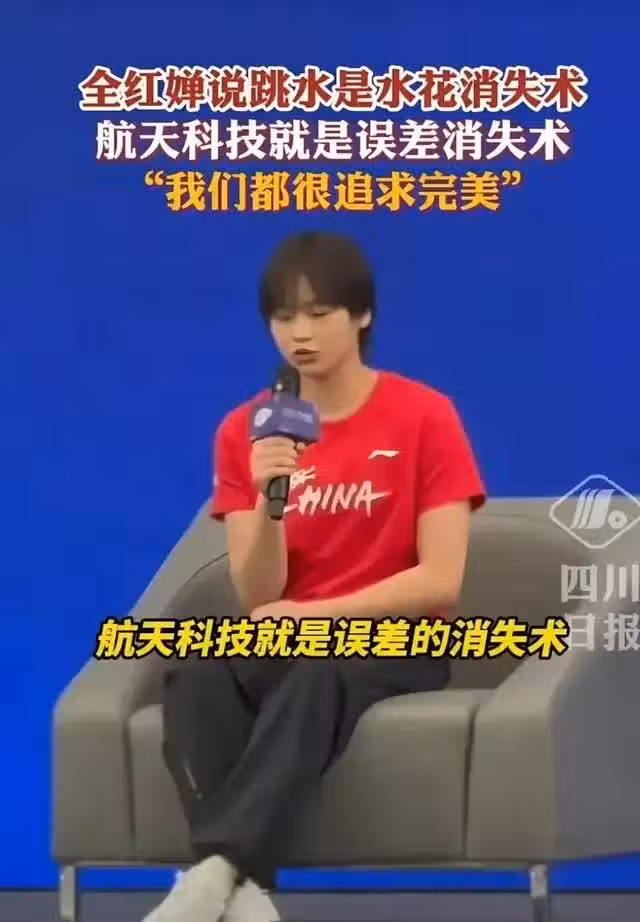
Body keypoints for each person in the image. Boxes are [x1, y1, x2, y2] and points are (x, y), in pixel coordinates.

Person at [143, 231, 487, 922]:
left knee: (317, 669)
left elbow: (440, 581)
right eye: (283, 317)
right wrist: (269, 497)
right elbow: (258, 596)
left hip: (397, 639)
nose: (299, 334)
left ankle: (215, 872)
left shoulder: (426, 415)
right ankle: (245, 893)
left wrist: (318, 617)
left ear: (362, 316)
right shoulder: (248, 430)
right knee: (197, 674)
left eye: (319, 313)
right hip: (287, 635)